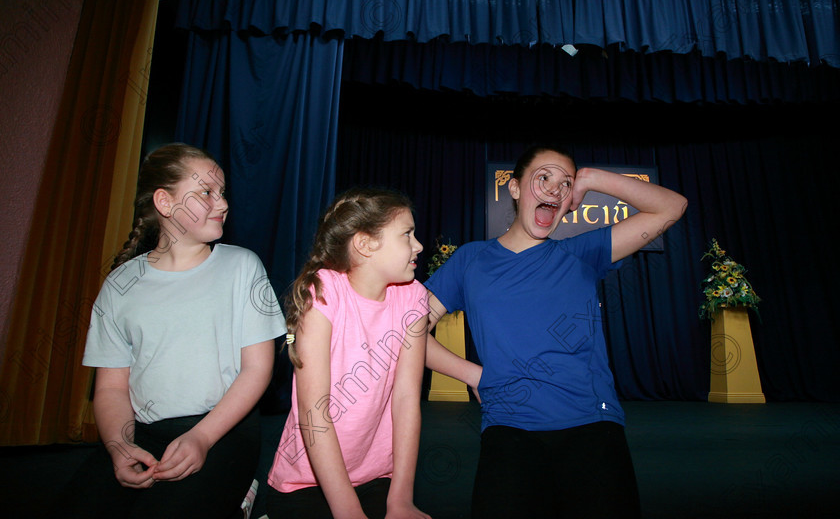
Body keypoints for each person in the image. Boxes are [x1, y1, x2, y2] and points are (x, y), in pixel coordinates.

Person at [423, 145, 687, 518]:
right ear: (514, 189)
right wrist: (474, 374)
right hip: (508, 429)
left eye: (565, 184)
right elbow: (408, 331)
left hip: (592, 429)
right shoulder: (471, 259)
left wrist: (591, 179)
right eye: (543, 177)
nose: (554, 189)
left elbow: (671, 207)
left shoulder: (583, 252)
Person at [56, 144, 285, 518]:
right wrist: (119, 446)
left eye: (223, 192)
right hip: (143, 431)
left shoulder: (242, 267)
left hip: (222, 428)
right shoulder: (120, 285)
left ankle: (241, 494)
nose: (223, 203)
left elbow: (257, 370)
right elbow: (112, 388)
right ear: (165, 202)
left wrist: (202, 437)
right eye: (207, 193)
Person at [267, 188, 447, 519]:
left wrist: (401, 499)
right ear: (365, 244)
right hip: (306, 481)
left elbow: (406, 399)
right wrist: (347, 510)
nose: (418, 245)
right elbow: (313, 411)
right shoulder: (322, 292)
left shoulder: (414, 298)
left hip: (375, 475)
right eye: (407, 234)